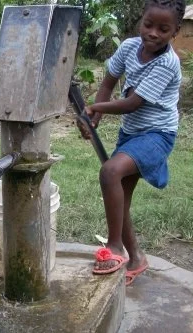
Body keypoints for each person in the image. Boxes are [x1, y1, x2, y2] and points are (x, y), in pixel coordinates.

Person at [78, 0, 186, 286]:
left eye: (163, 29)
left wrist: (92, 108)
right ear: (142, 21)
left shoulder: (167, 62)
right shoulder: (128, 47)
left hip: (158, 135)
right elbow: (109, 81)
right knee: (120, 201)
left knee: (110, 172)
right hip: (132, 134)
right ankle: (136, 259)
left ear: (175, 32)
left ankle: (115, 248)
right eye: (148, 25)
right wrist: (96, 115)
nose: (152, 33)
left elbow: (133, 103)